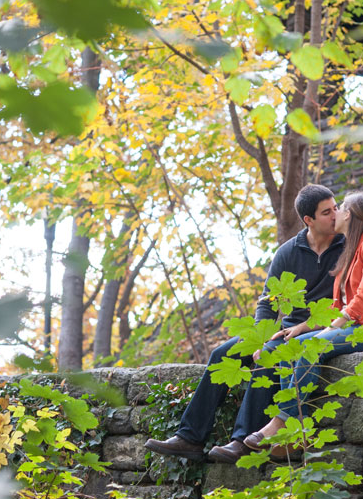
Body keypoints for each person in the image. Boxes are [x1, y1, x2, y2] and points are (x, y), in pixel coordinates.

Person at [144, 185, 345, 464]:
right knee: (221, 354)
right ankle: (189, 437)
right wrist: (261, 336)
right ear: (308, 220)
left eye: (336, 208)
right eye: (327, 212)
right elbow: (267, 302)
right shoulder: (288, 252)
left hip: (317, 330)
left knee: (269, 356)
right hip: (281, 330)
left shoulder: (347, 247)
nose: (336, 215)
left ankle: (242, 441)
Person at [243, 191, 363, 459]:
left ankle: (284, 421)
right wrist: (302, 328)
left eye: (340, 208)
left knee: (310, 347)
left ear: (351, 216)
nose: (336, 213)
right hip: (354, 330)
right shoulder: (350, 253)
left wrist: (327, 331)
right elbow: (335, 306)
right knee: (294, 345)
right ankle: (299, 434)